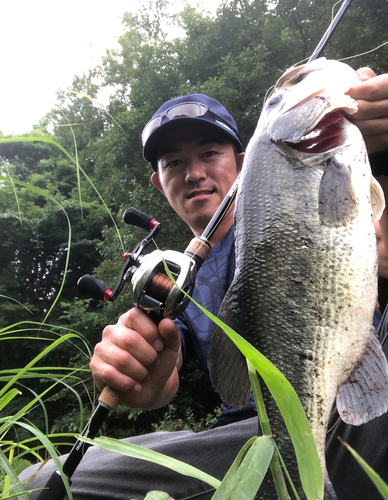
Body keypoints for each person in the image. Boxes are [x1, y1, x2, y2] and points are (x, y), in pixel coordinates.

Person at [20, 68, 388, 500]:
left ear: (244, 159)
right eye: (174, 162)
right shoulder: (178, 277)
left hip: (347, 418)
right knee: (42, 481)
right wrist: (147, 380)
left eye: (210, 152)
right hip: (245, 443)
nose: (193, 173)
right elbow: (168, 376)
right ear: (159, 182)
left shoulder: (321, 184)